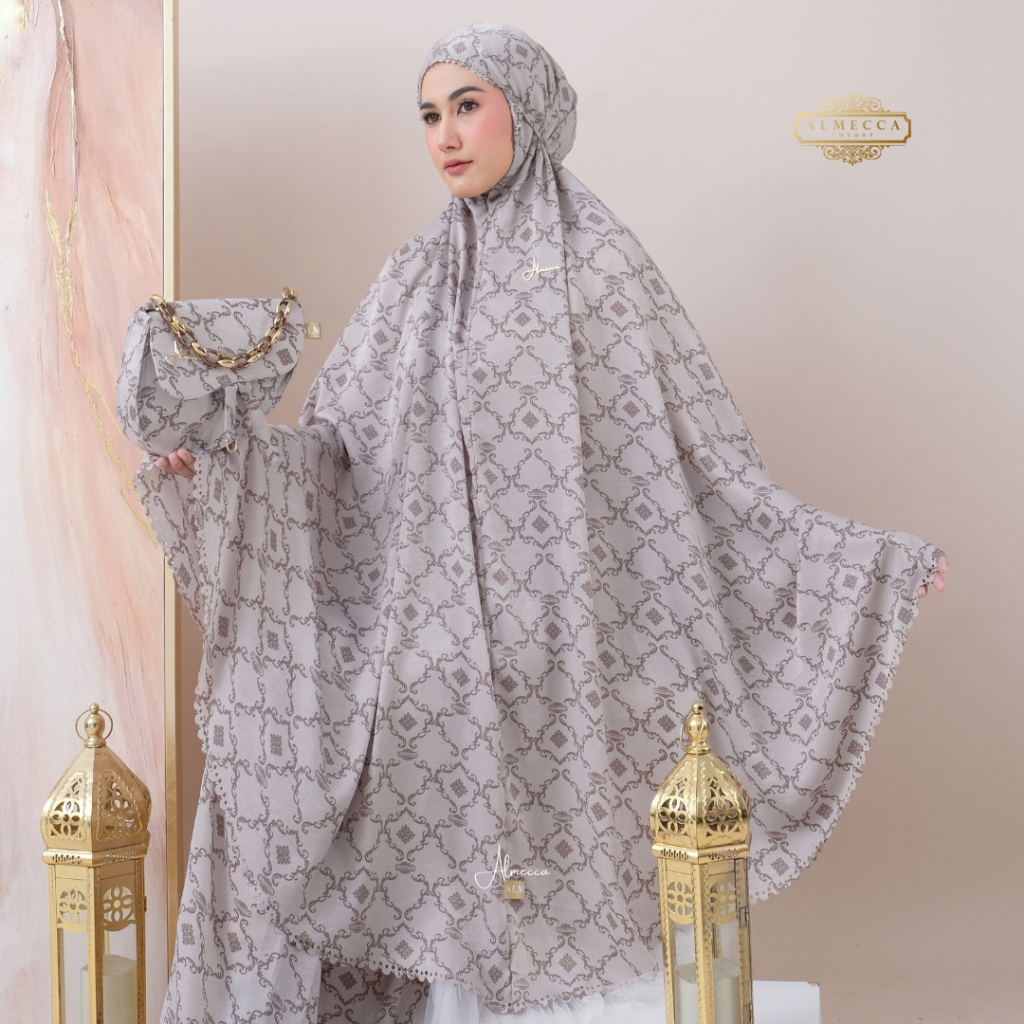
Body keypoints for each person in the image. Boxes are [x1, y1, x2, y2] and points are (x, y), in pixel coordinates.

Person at [121, 23, 946, 1024]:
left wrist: (862, 563)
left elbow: (707, 468)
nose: (444, 135)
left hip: (584, 631)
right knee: (317, 723)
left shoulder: (605, 271)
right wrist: (228, 460)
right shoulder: (411, 279)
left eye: (467, 106)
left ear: (529, 109)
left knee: (509, 716)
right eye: (429, 114)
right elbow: (337, 458)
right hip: (425, 627)